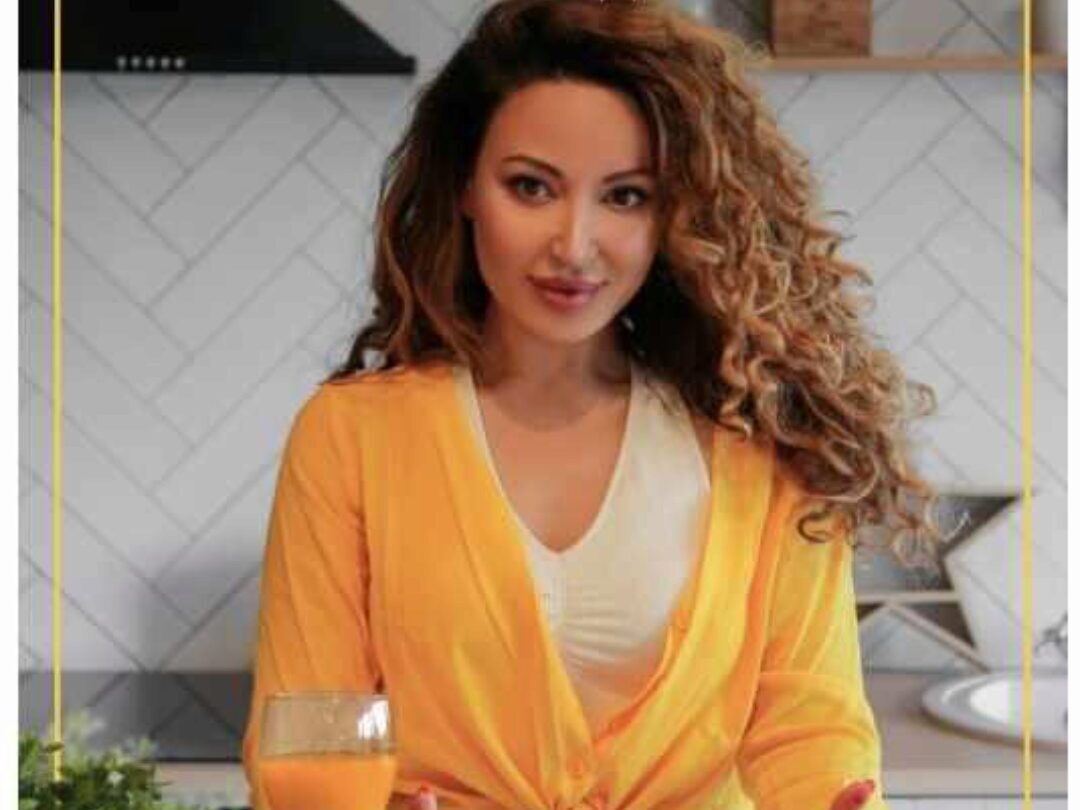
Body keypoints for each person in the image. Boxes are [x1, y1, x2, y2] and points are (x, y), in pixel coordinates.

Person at [241, 1, 944, 808]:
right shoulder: (352, 435)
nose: (574, 245)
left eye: (626, 196)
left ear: (676, 214)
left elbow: (811, 725)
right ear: (466, 185)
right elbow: (304, 729)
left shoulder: (763, 436)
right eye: (531, 187)